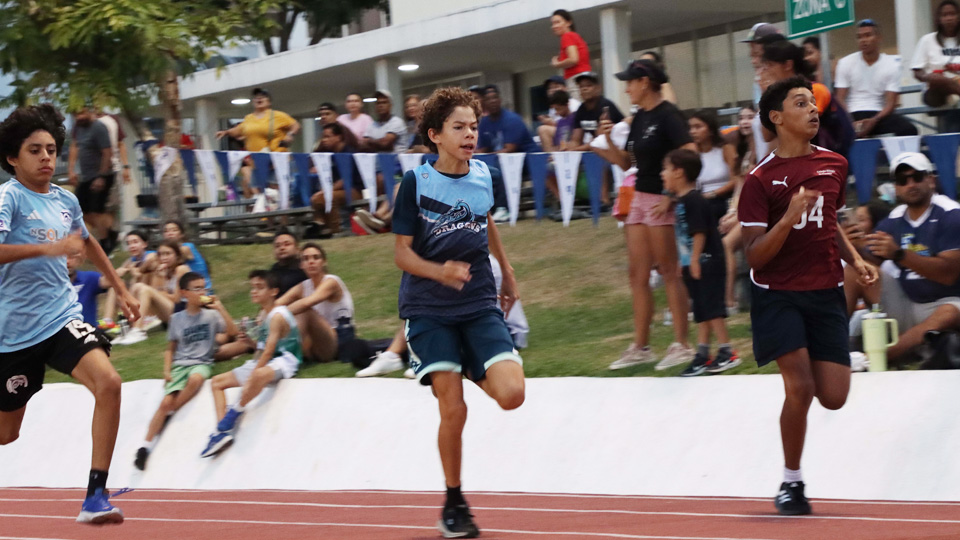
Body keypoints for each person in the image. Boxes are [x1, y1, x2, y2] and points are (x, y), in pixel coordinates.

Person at [738, 76, 877, 515]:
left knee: (833, 395)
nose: (813, 110)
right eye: (801, 103)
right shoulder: (759, 181)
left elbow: (830, 217)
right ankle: (791, 482)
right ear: (777, 118)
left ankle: (792, 474)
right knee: (799, 386)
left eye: (813, 104)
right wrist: (787, 219)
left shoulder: (834, 163)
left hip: (825, 289)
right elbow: (755, 257)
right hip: (777, 293)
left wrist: (854, 259)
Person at [393, 87, 524, 538]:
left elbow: (486, 221)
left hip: (477, 302)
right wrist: (438, 271)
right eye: (459, 127)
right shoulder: (417, 182)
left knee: (512, 394)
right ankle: (453, 500)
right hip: (428, 309)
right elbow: (402, 256)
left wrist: (506, 270)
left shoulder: (484, 174)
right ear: (435, 135)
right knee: (454, 409)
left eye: (474, 127)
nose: (470, 135)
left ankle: (468, 361)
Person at [0, 104, 140, 523]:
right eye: (34, 150)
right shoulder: (8, 198)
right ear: (12, 158)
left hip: (61, 316)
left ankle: (95, 495)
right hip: (14, 331)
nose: (46, 157)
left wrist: (120, 288)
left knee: (110, 383)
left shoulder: (65, 200)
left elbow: (89, 243)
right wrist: (48, 248)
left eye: (51, 149)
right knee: (7, 434)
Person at [593, 59, 696, 370]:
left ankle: (682, 343)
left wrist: (670, 194)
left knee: (669, 271)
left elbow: (689, 155)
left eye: (630, 82)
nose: (626, 88)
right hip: (637, 197)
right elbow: (626, 163)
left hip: (659, 198)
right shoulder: (639, 118)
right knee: (637, 274)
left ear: (646, 82)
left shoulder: (669, 116)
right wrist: (608, 139)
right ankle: (641, 346)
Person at [134, 272, 238, 470]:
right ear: (184, 293)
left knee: (196, 378)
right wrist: (167, 370)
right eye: (196, 288)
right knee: (164, 402)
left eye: (203, 287)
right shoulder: (177, 318)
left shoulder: (212, 315)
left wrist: (220, 307)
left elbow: (232, 333)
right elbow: (170, 347)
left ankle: (172, 411)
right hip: (180, 364)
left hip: (202, 362)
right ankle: (145, 446)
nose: (202, 292)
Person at [864, 152, 960, 363]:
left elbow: (948, 275)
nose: (910, 184)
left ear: (931, 180)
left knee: (950, 312)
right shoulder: (895, 218)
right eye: (902, 180)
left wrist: (899, 254)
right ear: (896, 188)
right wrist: (852, 246)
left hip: (946, 301)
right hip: (906, 302)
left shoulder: (951, 214)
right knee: (855, 270)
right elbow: (871, 262)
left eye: (917, 177)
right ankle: (832, 352)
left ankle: (877, 358)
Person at [201, 270, 303, 458]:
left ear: (274, 291)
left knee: (258, 374)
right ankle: (223, 432)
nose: (253, 291)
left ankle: (232, 414)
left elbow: (271, 350)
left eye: (259, 287)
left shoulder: (277, 315)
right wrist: (250, 343)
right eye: (252, 287)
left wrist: (253, 375)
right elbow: (264, 347)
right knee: (216, 382)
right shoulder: (265, 313)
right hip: (267, 359)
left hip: (284, 360)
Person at [661, 149, 739, 376]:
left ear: (679, 172)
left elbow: (699, 233)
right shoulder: (683, 201)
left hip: (707, 261)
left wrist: (694, 259)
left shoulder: (694, 201)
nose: (662, 174)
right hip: (693, 263)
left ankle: (727, 351)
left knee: (712, 308)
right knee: (701, 310)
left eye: (666, 169)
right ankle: (703, 355)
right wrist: (683, 262)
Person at [760, 39, 855, 158]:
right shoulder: (780, 97)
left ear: (788, 65)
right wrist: (766, 94)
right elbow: (767, 135)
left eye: (770, 65)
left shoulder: (815, 90)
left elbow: (797, 129)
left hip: (826, 163)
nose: (765, 71)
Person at [835, 20, 918, 138]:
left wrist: (873, 120)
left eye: (868, 35)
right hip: (852, 114)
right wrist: (849, 122)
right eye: (859, 37)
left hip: (878, 115)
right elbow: (840, 99)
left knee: (909, 129)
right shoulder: (845, 62)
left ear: (879, 38)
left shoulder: (891, 64)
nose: (863, 40)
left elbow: (890, 104)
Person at [277, 242, 357, 363]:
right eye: (306, 259)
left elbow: (307, 303)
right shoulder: (303, 286)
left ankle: (284, 358)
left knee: (305, 311)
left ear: (324, 262)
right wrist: (263, 317)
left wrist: (279, 315)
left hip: (339, 342)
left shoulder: (331, 281)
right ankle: (269, 351)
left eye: (316, 257)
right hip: (316, 343)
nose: (311, 261)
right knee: (293, 313)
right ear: (301, 265)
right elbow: (277, 303)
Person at [215, 88, 300, 197]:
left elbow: (295, 125)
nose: (259, 98)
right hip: (257, 165)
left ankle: (281, 213)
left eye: (263, 96)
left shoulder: (278, 115)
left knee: (277, 196)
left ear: (269, 101)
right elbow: (238, 129)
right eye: (256, 97)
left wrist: (290, 135)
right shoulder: (249, 118)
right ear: (253, 101)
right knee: (258, 196)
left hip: (277, 163)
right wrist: (226, 132)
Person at [477, 85, 541, 222]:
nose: (493, 101)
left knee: (501, 163)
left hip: (528, 160)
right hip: (503, 160)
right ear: (484, 103)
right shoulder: (484, 123)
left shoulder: (512, 119)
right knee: (479, 165)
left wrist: (488, 157)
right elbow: (483, 150)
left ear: (500, 100)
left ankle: (503, 208)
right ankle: (486, 209)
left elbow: (510, 149)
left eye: (495, 98)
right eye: (488, 99)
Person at [116, 239, 190, 345]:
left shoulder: (181, 269)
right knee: (137, 286)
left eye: (168, 254)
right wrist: (160, 276)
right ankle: (128, 328)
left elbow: (177, 299)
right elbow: (156, 295)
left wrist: (161, 289)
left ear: (177, 256)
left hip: (182, 315)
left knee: (145, 289)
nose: (164, 258)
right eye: (161, 254)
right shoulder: (164, 271)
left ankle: (138, 331)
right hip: (168, 314)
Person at [68, 106, 115, 251]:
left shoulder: (99, 128)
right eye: (76, 114)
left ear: (89, 111)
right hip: (86, 176)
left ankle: (105, 244)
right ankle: (111, 233)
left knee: (96, 211)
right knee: (78, 211)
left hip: (102, 175)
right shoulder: (79, 128)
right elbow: (75, 147)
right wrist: (71, 170)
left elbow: (107, 153)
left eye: (82, 113)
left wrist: (101, 177)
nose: (79, 117)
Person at [309, 122, 361, 236]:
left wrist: (325, 191)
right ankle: (321, 226)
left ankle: (336, 230)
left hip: (355, 190)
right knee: (316, 199)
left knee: (328, 197)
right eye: (323, 137)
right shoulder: (330, 155)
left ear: (339, 137)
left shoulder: (349, 153)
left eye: (327, 136)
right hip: (337, 189)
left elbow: (345, 179)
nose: (324, 140)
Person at [842, 199, 891, 315]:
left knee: (853, 270)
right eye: (854, 219)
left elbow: (879, 265)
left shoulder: (886, 243)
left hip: (886, 303)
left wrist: (856, 250)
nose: (855, 225)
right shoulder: (851, 245)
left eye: (861, 220)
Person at [688, 110, 738, 220]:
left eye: (698, 127)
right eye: (691, 128)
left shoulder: (726, 149)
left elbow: (735, 180)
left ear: (710, 129)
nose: (693, 131)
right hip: (700, 199)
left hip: (723, 199)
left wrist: (711, 194)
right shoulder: (692, 154)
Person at [912, 0, 960, 108]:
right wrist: (927, 76)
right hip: (936, 91)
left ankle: (953, 97)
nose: (949, 18)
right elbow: (916, 72)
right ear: (939, 19)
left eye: (952, 14)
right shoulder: (927, 40)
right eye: (945, 15)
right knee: (938, 79)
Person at [569, 72, 625, 151]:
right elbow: (576, 139)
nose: (584, 89)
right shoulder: (581, 110)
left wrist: (575, 150)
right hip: (600, 149)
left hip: (618, 149)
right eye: (581, 86)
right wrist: (568, 150)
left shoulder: (606, 106)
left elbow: (601, 139)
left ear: (598, 88)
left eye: (589, 85)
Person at [549, 9, 591, 96]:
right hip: (583, 77)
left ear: (568, 23)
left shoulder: (567, 36)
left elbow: (573, 59)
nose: (554, 26)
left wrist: (557, 64)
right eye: (552, 23)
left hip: (576, 78)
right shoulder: (574, 36)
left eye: (557, 22)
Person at [161, 220, 212, 291]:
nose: (170, 233)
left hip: (201, 289)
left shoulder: (185, 248)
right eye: (166, 231)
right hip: (186, 286)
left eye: (174, 230)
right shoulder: (168, 251)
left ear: (182, 234)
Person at [68, 251, 110, 327]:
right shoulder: (50, 286)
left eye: (71, 257)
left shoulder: (88, 278)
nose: (67, 262)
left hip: (89, 333)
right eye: (62, 258)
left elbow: (108, 282)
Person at [270, 229, 308, 297]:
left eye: (287, 244)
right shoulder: (273, 271)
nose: (282, 248)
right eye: (277, 246)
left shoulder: (305, 269)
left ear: (297, 249)